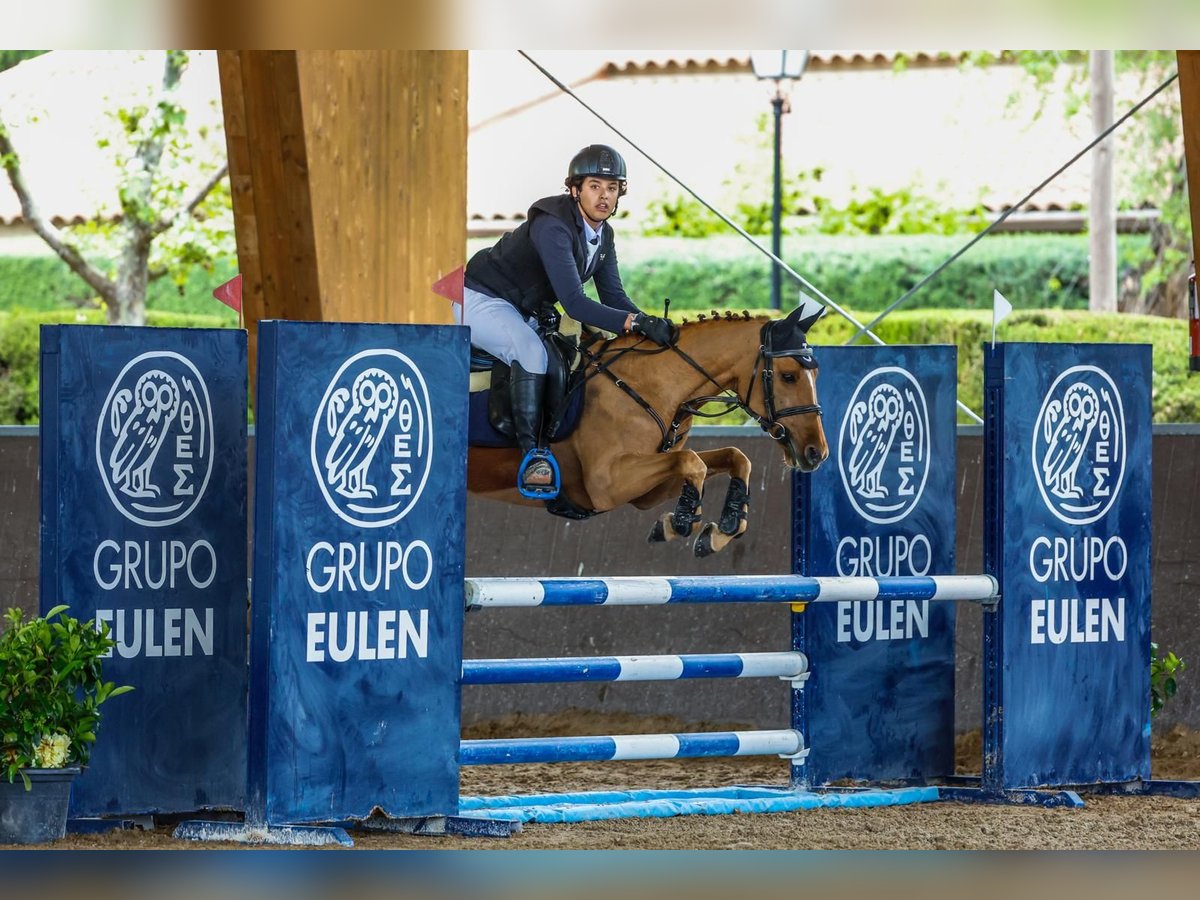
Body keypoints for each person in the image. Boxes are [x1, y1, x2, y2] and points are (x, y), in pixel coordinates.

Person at [460, 143, 674, 499]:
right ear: (575, 190)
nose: (604, 196)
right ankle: (533, 456)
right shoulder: (553, 226)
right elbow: (575, 304)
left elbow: (614, 297)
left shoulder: (603, 235)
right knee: (531, 353)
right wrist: (634, 324)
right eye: (594, 186)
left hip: (521, 308)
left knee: (572, 355)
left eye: (612, 187)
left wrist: (648, 322)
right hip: (479, 298)